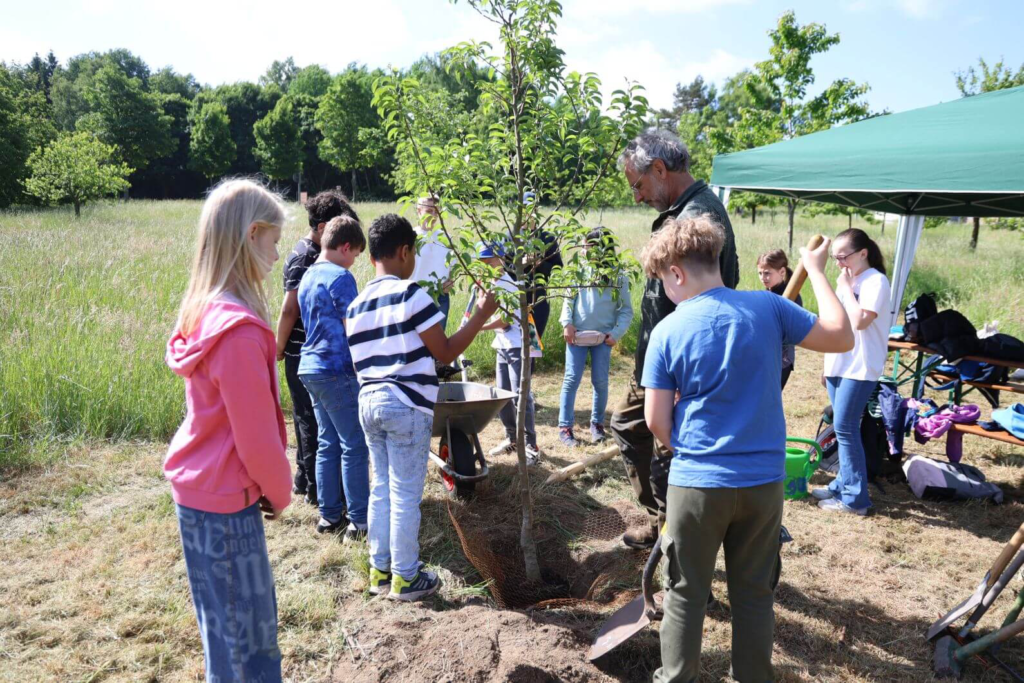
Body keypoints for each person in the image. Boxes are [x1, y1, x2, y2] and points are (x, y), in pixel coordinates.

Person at [640, 215, 853, 683]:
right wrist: (815, 268)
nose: (665, 292)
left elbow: (656, 421)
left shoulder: (667, 332)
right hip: (763, 485)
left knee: (684, 593)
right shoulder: (769, 308)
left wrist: (690, 446)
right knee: (755, 595)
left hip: (696, 485)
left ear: (676, 273)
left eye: (663, 283)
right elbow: (842, 336)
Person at [164, 178, 294, 682]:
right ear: (252, 233)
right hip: (226, 506)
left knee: (223, 632)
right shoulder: (238, 331)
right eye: (274, 241)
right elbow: (256, 438)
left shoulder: (203, 311)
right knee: (251, 647)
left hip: (201, 494)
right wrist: (280, 492)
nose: (278, 254)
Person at [346, 214, 498, 601]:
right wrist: (481, 313)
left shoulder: (356, 305)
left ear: (371, 258)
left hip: (368, 402)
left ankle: (379, 571)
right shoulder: (411, 294)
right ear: (404, 251)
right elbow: (444, 352)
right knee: (405, 492)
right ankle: (407, 577)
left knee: (380, 488)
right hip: (404, 404)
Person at [611, 129, 741, 549]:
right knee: (629, 426)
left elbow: (710, 302)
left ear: (661, 170)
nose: (636, 196)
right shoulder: (683, 211)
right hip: (656, 362)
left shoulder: (699, 217)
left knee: (671, 453)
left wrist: (686, 378)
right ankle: (661, 520)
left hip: (679, 367)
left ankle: (677, 542)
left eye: (638, 184)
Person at [276, 190, 359, 506]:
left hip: (308, 353)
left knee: (308, 421)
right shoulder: (306, 257)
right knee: (312, 423)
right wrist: (280, 347)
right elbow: (289, 309)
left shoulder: (311, 250)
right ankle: (316, 489)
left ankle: (303, 478)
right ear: (324, 227)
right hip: (304, 351)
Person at [297, 215, 370, 538]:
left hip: (310, 367)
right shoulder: (340, 278)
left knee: (327, 442)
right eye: (354, 254)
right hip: (336, 369)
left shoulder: (308, 275)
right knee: (354, 443)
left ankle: (329, 516)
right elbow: (350, 327)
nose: (354, 261)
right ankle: (360, 519)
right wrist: (364, 368)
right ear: (344, 247)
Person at [812, 228, 892, 515]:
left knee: (845, 428)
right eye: (835, 258)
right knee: (843, 428)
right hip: (839, 363)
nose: (839, 264)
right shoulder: (848, 278)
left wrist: (846, 288)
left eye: (843, 257)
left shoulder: (876, 282)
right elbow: (834, 322)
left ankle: (855, 499)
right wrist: (826, 364)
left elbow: (860, 322)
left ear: (863, 253)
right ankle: (840, 486)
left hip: (861, 366)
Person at [557, 227, 634, 447]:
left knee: (600, 381)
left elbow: (626, 309)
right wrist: (567, 323)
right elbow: (568, 299)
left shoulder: (618, 275)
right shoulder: (579, 272)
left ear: (600, 249)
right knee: (571, 379)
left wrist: (615, 334)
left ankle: (597, 424)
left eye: (587, 246)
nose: (582, 250)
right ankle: (565, 427)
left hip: (603, 338)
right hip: (577, 337)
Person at [480, 243, 545, 465]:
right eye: (481, 262)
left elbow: (505, 320)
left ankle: (530, 445)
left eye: (488, 261)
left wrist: (479, 326)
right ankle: (511, 437)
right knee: (502, 395)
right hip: (502, 345)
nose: (484, 265)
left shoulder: (509, 284)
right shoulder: (491, 284)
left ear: (499, 258)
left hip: (518, 345)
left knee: (520, 395)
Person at [757, 249, 804, 390]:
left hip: (781, 360)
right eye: (760, 273)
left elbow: (792, 329)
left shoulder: (791, 296)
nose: (763, 277)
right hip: (765, 356)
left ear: (782, 272)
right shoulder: (768, 292)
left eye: (767, 273)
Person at [409, 196, 454, 329]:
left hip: (440, 298)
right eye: (429, 211)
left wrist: (451, 280)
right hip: (415, 296)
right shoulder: (411, 236)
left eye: (436, 211)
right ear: (419, 211)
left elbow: (452, 264)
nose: (433, 215)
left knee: (437, 344)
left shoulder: (445, 237)